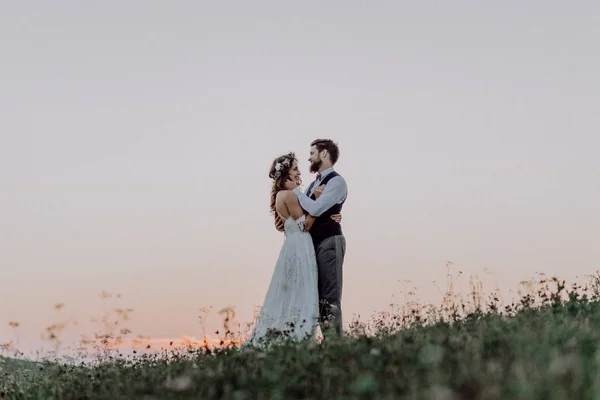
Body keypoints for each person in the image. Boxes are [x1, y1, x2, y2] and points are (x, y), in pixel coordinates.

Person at [243, 152, 341, 347]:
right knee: (302, 292)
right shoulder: (289, 194)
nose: (298, 172)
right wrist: (324, 206)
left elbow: (286, 224)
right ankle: (299, 339)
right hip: (300, 246)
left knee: (294, 292)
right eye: (295, 168)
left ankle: (292, 336)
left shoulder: (283, 195)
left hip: (293, 245)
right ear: (286, 172)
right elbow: (305, 224)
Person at [293, 139, 347, 337]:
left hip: (329, 242)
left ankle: (335, 344)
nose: (309, 157)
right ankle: (327, 342)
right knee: (316, 297)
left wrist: (296, 191)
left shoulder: (337, 181)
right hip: (313, 245)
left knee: (329, 296)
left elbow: (315, 208)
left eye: (312, 153)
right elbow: (306, 210)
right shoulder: (313, 184)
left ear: (324, 154)